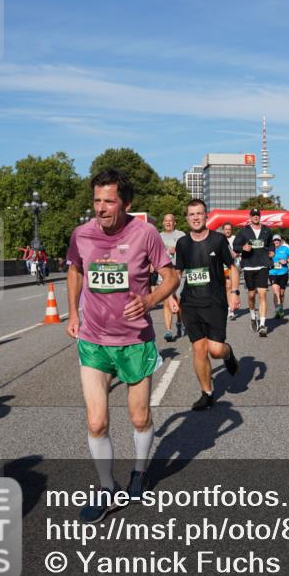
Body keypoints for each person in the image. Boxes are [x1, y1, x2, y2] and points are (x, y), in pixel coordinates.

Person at [65, 168, 180, 523]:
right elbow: (75, 269)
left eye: (109, 201)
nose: (100, 208)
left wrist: (150, 301)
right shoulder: (81, 234)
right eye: (96, 200)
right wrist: (72, 312)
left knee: (139, 416)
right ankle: (105, 489)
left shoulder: (145, 234)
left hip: (134, 341)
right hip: (94, 340)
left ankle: (140, 472)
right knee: (97, 422)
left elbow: (172, 276)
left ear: (126, 203)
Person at [167, 199, 241, 412]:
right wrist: (171, 296)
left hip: (215, 302)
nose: (196, 217)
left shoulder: (218, 240)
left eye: (199, 213)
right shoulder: (182, 244)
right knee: (199, 349)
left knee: (215, 350)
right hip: (190, 304)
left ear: (206, 215)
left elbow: (232, 267)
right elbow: (177, 273)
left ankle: (228, 353)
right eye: (192, 214)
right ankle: (207, 393)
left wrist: (234, 292)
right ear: (187, 217)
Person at [233, 207, 275, 337]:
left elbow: (271, 243)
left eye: (257, 215)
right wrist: (242, 248)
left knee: (262, 294)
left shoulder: (267, 230)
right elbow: (235, 246)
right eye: (253, 215)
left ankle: (262, 324)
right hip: (249, 266)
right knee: (251, 295)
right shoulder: (244, 231)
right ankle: (253, 316)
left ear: (260, 217)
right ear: (250, 217)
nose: (256, 217)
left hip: (262, 265)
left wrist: (272, 251)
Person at [158, 214, 186, 341]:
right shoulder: (158, 236)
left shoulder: (181, 235)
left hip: (179, 271)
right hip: (164, 271)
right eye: (166, 221)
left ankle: (179, 323)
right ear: (163, 223)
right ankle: (168, 330)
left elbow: (188, 252)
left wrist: (178, 251)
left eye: (171, 221)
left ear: (175, 223)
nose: (168, 223)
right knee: (166, 300)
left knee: (178, 300)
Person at [268, 234, 289, 320]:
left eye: (277, 240)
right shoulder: (269, 250)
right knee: (276, 292)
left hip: (283, 273)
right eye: (274, 240)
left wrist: (286, 261)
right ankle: (277, 310)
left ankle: (280, 307)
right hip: (273, 273)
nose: (276, 241)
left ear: (280, 241)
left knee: (281, 293)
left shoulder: (285, 249)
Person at [221, 222, 239, 319]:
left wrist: (237, 253)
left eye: (229, 229)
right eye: (226, 229)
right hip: (220, 266)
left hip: (231, 266)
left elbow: (240, 249)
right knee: (222, 288)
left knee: (229, 286)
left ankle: (230, 309)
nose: (227, 231)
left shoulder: (235, 239)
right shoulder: (220, 238)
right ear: (223, 230)